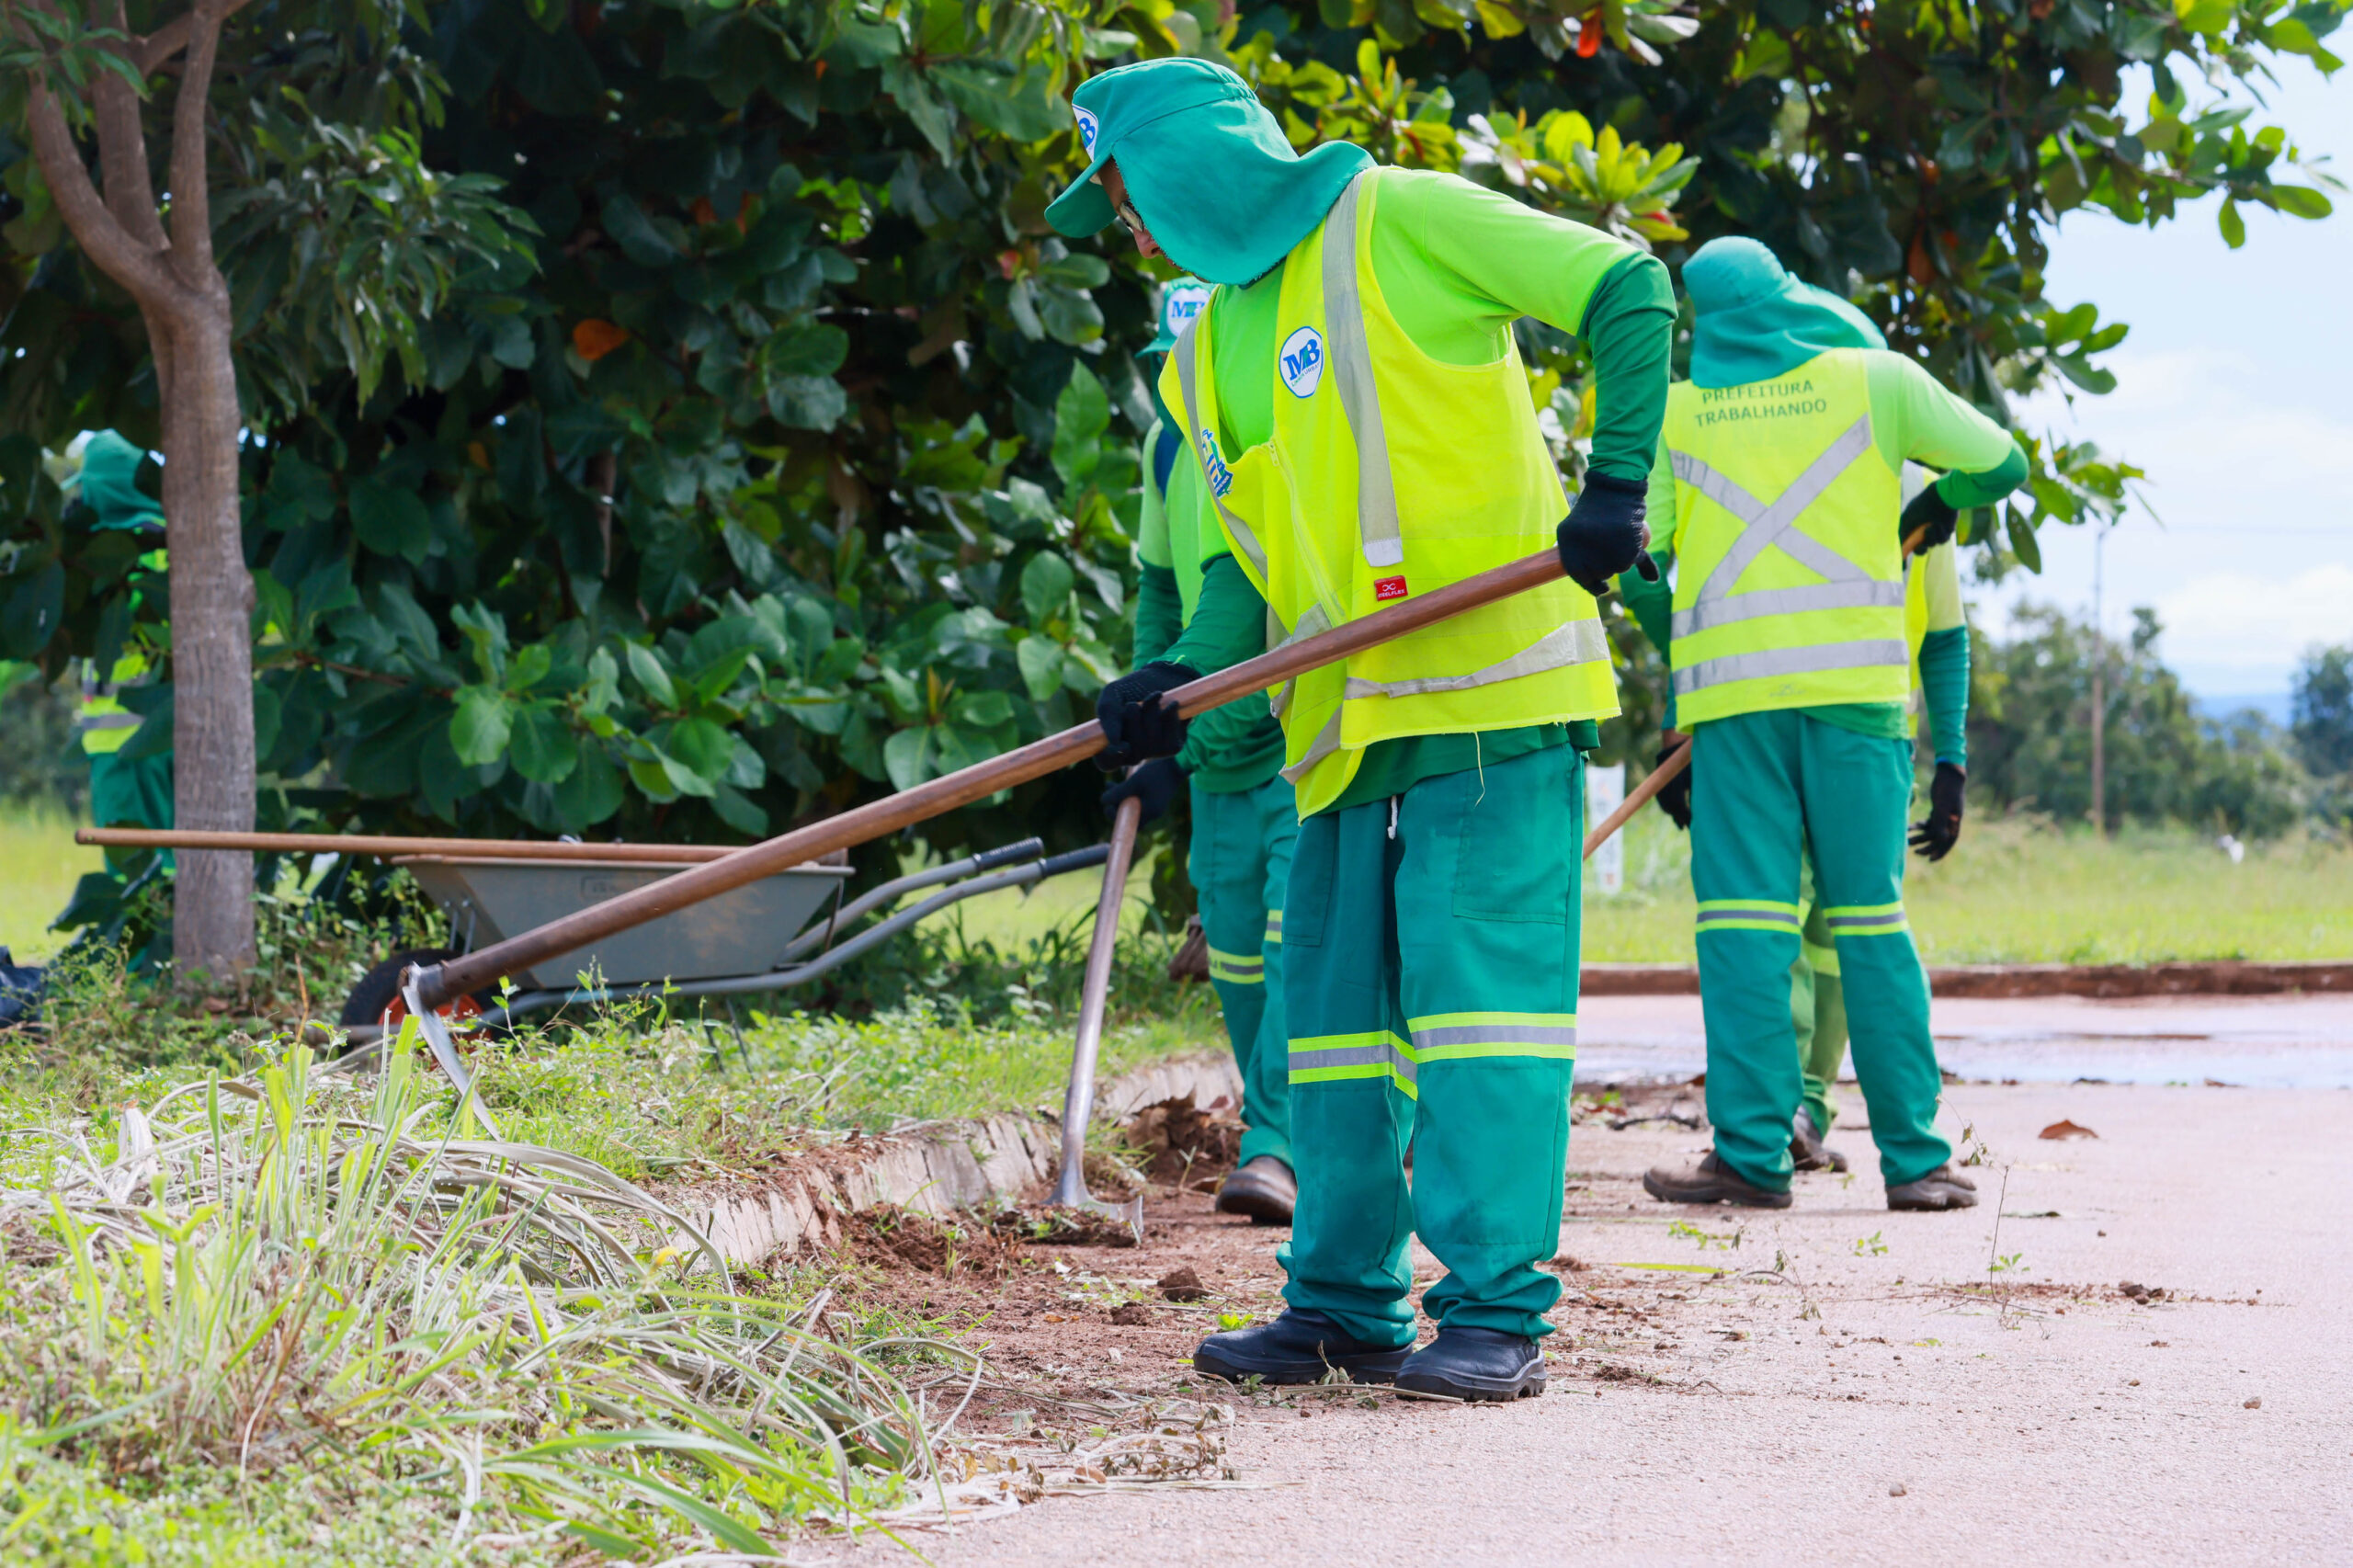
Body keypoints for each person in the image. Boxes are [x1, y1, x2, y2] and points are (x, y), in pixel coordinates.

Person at [1048, 57, 1672, 1400]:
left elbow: (1625, 287)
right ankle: (1339, 1304)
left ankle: (1498, 1309)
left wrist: (1616, 479)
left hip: (1495, 702)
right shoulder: (1206, 348)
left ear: (1186, 165)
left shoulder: (1399, 218)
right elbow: (1247, 569)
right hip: (1337, 725)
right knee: (1326, 1033)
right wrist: (1174, 679)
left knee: (1480, 1018)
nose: (1131, 228)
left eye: (1127, 193)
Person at [1624, 237, 2023, 1212]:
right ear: (1792, 296)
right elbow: (2002, 461)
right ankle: (1919, 1162)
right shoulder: (1876, 381)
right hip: (1858, 706)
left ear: (1699, 322)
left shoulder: (1677, 412)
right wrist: (1936, 499)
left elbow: (1641, 569)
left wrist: (1676, 676)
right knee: (1871, 927)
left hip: (1734, 715)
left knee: (1744, 933)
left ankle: (1752, 1159)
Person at [1624, 465, 1978, 1175]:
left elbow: (1942, 634)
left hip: (1840, 730)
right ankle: (1794, 1114)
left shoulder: (1914, 484)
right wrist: (1678, 722)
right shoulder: (1764, 464)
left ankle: (1800, 1112)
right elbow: (1702, 607)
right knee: (1787, 924)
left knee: (1822, 928)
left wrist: (1952, 762)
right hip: (1789, 731)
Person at [1108, 273, 1302, 1225]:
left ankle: (1284, 1140)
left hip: (1294, 740)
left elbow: (1274, 609)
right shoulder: (1163, 450)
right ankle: (1287, 1128)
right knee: (1236, 955)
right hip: (1214, 749)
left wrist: (1206, 725)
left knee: (1297, 940)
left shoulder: (1276, 434)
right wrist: (1154, 714)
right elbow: (1161, 594)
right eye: (1166, 372)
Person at [72, 432, 174, 836]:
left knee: (137, 879)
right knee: (181, 865)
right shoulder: (177, 544)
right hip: (179, 739)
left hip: (123, 748)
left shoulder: (99, 564)